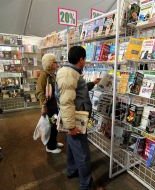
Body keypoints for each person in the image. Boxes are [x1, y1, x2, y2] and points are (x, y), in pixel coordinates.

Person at [56, 46, 101, 190]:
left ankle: (72, 170)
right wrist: (71, 126)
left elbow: (76, 92)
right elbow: (67, 101)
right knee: (82, 154)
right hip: (75, 120)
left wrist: (92, 83)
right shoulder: (69, 73)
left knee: (72, 147)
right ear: (81, 59)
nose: (85, 62)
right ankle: (86, 186)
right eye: (85, 59)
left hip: (74, 117)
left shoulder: (70, 72)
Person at [36, 54, 63, 154]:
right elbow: (39, 91)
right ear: (50, 64)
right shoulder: (44, 76)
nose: (56, 64)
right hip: (49, 107)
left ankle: (53, 142)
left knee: (55, 124)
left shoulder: (52, 74)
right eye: (55, 62)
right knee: (51, 126)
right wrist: (43, 105)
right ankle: (50, 147)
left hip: (54, 106)